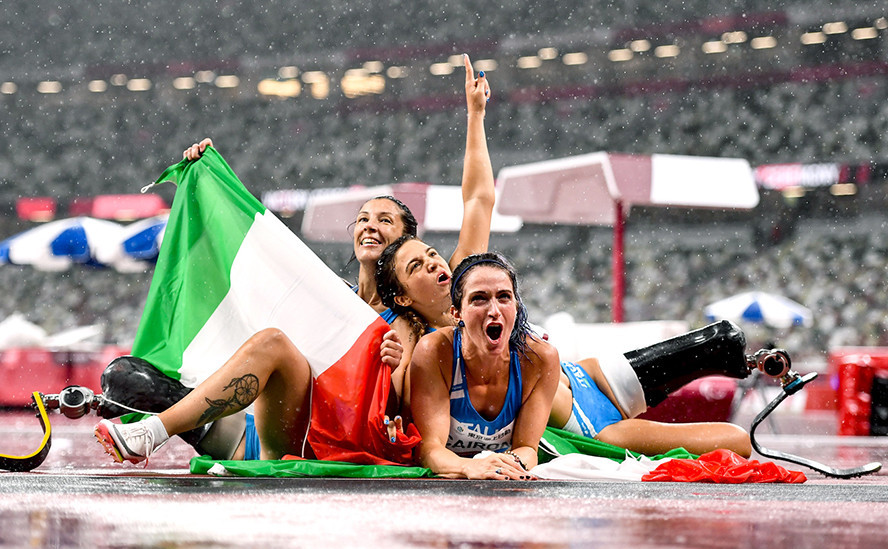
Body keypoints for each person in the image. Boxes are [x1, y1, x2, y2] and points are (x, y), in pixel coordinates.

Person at [94, 54, 495, 464]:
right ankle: (153, 427)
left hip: (315, 443)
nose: (370, 226)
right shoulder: (328, 294)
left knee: (273, 343)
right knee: (125, 378)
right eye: (362, 219)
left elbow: (478, 202)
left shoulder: (423, 305)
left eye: (385, 220)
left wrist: (475, 116)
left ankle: (151, 433)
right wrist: (208, 184)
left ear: (406, 241)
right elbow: (254, 283)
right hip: (255, 430)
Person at [378, 242, 759, 460]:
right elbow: (394, 402)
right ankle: (740, 356)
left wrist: (476, 116)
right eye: (416, 266)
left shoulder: (475, 280)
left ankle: (747, 356)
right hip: (589, 422)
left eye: (432, 255)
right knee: (737, 441)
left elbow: (479, 199)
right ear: (400, 295)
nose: (433, 264)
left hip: (584, 379)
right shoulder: (413, 337)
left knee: (717, 344)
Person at [408, 252, 560, 479]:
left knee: (606, 436)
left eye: (504, 297)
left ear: (516, 306)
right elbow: (430, 450)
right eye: (479, 298)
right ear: (456, 313)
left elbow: (528, 448)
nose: (494, 310)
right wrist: (471, 467)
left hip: (567, 400)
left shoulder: (541, 358)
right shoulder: (436, 352)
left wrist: (507, 466)